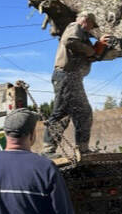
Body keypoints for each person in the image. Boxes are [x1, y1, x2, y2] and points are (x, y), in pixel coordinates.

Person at [43, 11, 111, 156]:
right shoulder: (75, 27)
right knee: (61, 112)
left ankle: (83, 148)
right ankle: (48, 149)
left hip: (73, 78)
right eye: (92, 25)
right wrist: (92, 49)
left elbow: (88, 56)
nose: (92, 28)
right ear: (86, 21)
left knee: (84, 113)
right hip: (66, 75)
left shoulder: (83, 38)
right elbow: (70, 41)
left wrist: (99, 47)